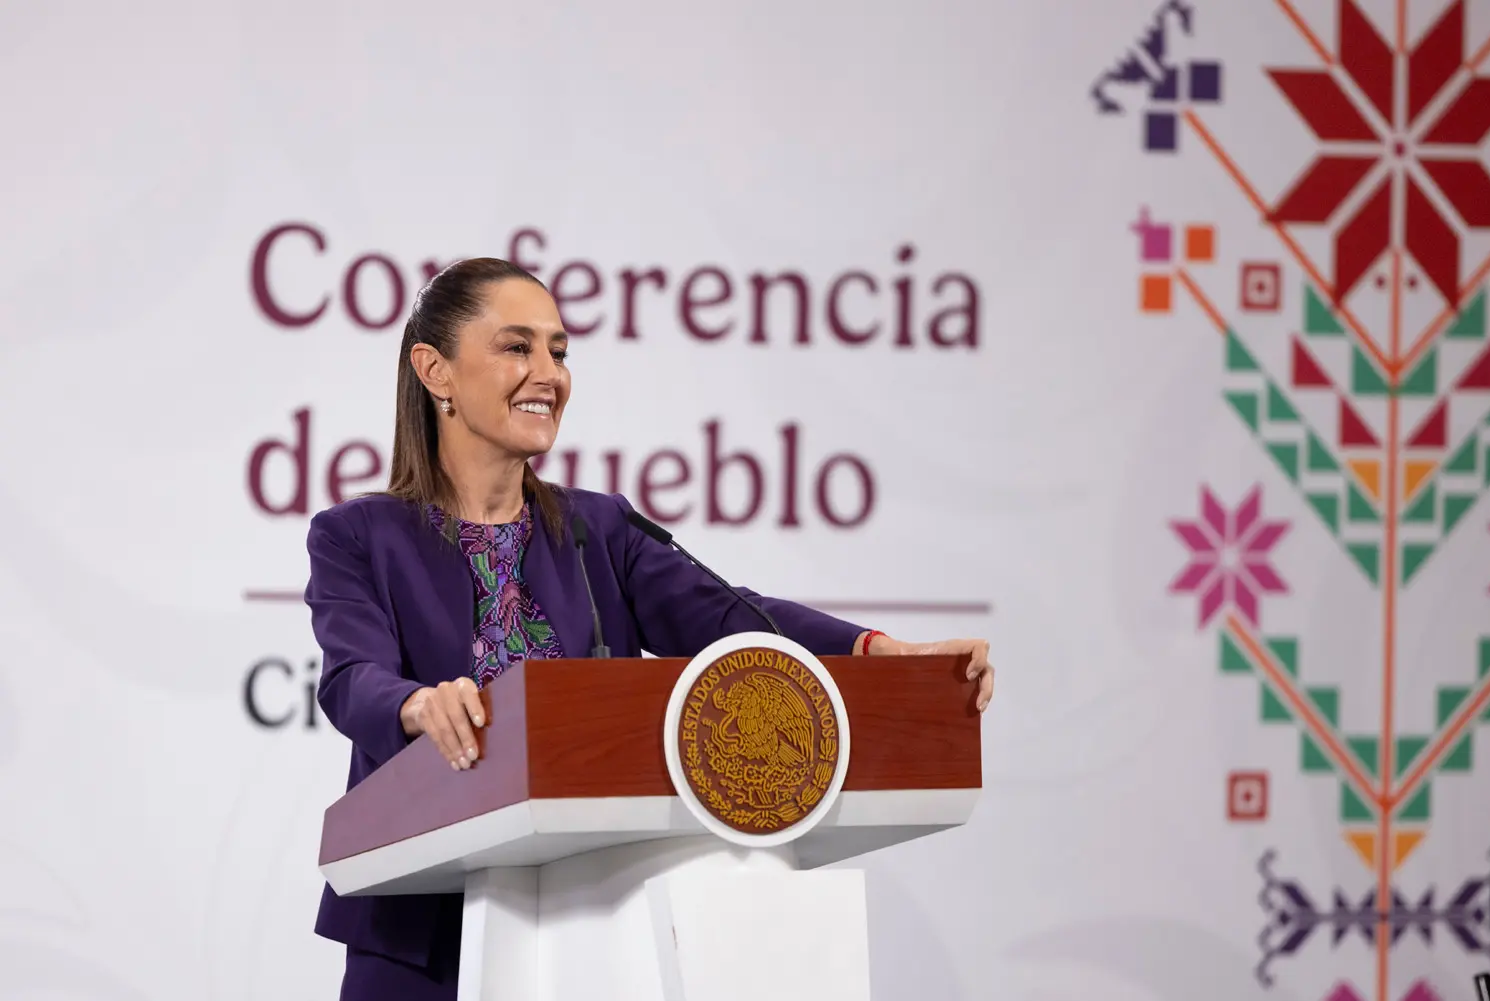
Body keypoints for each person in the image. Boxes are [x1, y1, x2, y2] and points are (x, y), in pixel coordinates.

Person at [303, 257, 997, 1001]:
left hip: (590, 937)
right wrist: (417, 705)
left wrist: (876, 652)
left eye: (560, 351)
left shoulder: (599, 530)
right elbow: (352, 678)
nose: (549, 372)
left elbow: (734, 618)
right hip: (420, 942)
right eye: (517, 346)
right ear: (435, 369)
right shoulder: (357, 535)